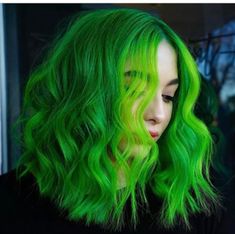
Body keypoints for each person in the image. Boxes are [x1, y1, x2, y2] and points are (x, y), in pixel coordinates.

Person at [0, 8, 230, 233]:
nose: (158, 115)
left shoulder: (197, 207)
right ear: (83, 89)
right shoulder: (10, 204)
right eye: (136, 90)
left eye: (168, 96)